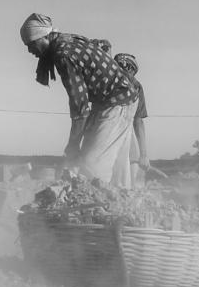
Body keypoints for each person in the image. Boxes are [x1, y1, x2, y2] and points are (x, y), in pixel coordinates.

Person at [19, 13, 141, 188]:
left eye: (31, 44)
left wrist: (73, 146)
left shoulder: (63, 55)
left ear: (44, 37)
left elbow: (80, 108)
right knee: (116, 171)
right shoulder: (66, 40)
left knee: (92, 167)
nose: (30, 50)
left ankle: (95, 210)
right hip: (114, 100)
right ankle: (120, 208)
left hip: (117, 102)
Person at [113, 52, 150, 178]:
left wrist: (143, 155)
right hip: (122, 135)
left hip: (110, 135)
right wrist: (143, 155)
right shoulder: (135, 85)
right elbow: (138, 122)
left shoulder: (106, 80)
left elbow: (138, 121)